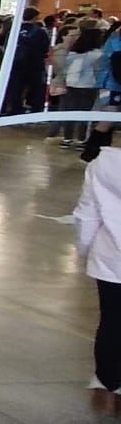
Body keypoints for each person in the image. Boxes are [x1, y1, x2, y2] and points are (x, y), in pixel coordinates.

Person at [74, 125, 121, 393]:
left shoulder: (103, 165)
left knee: (112, 320)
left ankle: (106, 383)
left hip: (110, 257)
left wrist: (85, 250)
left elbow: (86, 216)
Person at [58, 20, 106, 146]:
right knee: (85, 114)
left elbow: (65, 70)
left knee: (69, 113)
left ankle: (67, 138)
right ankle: (81, 139)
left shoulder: (72, 54)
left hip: (71, 85)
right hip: (89, 86)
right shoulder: (98, 55)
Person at [4, 7, 50, 116]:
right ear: (35, 17)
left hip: (16, 64)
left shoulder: (14, 31)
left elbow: (6, 47)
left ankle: (15, 110)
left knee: (16, 89)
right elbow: (45, 48)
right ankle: (35, 111)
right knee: (37, 88)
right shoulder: (40, 32)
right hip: (35, 65)